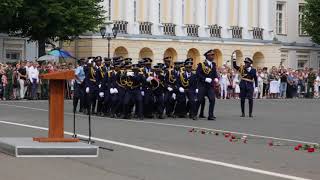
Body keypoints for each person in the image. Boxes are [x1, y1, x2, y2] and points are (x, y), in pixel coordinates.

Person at [196, 49, 219, 120]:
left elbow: (214, 73)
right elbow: (198, 74)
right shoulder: (201, 64)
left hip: (210, 86)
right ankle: (194, 114)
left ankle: (210, 115)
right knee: (199, 100)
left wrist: (216, 78)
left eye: (213, 55)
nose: (213, 56)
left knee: (212, 99)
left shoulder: (213, 64)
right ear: (207, 56)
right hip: (202, 85)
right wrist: (205, 79)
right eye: (212, 55)